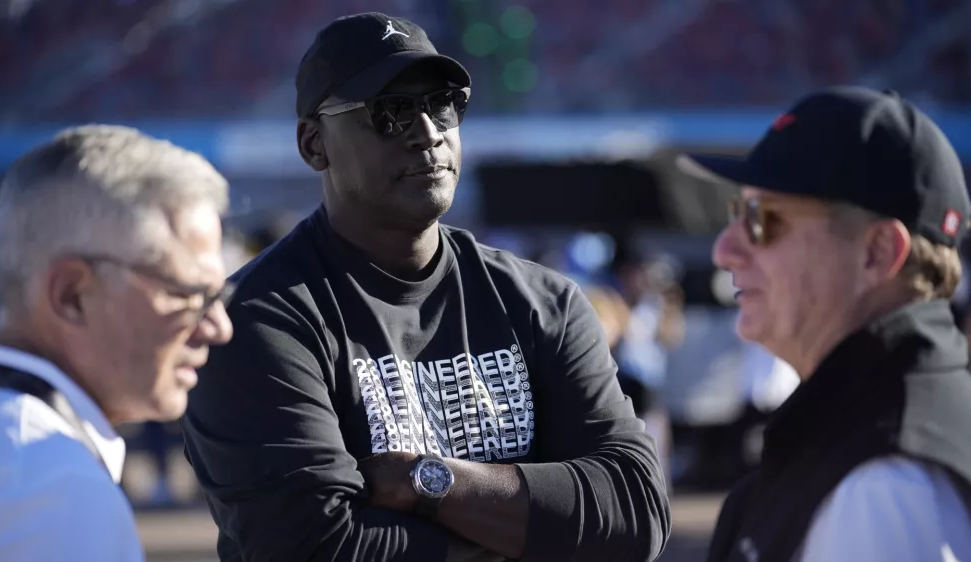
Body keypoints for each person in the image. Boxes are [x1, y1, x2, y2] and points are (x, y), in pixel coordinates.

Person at [182, 12, 671, 562]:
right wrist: (535, 531)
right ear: (314, 143)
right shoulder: (254, 319)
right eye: (389, 112)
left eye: (443, 102)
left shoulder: (543, 301)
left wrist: (427, 481)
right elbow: (316, 548)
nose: (428, 131)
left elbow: (636, 513)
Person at [677, 86, 971, 562]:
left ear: (876, 252)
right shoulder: (860, 438)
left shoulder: (885, 490)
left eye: (761, 218)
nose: (723, 250)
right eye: (738, 212)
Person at [0, 125, 234, 561]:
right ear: (72, 295)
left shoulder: (8, 448)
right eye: (189, 294)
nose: (218, 326)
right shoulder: (48, 482)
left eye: (219, 296)